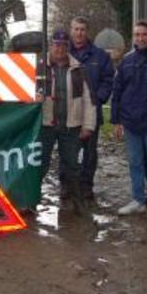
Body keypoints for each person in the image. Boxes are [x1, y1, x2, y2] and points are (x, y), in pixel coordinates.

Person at [111, 21, 147, 219]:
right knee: (135, 163)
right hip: (130, 123)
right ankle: (138, 200)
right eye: (137, 34)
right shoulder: (126, 60)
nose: (140, 38)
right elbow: (117, 91)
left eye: (144, 34)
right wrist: (116, 119)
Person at [39, 29, 97, 215]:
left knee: (72, 165)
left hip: (71, 126)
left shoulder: (79, 69)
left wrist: (88, 125)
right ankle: (31, 199)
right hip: (45, 126)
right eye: (56, 44)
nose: (60, 48)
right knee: (40, 164)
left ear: (68, 47)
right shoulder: (39, 67)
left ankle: (77, 202)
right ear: (51, 45)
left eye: (64, 45)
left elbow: (89, 99)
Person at [68, 16, 114, 200]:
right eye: (76, 29)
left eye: (82, 29)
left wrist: (98, 99)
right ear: (71, 30)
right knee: (68, 152)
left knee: (90, 153)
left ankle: (87, 185)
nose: (79, 33)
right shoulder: (62, 53)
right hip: (69, 113)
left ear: (87, 32)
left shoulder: (100, 56)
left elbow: (108, 80)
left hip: (91, 113)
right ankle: (68, 186)